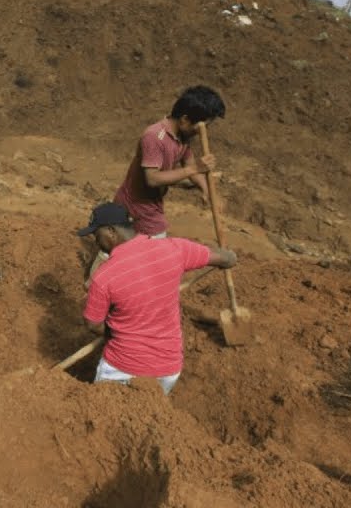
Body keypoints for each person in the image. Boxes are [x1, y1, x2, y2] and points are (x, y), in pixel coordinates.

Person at [79, 202, 236, 394]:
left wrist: (112, 332)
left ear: (111, 231)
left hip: (122, 371)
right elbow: (225, 259)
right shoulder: (175, 248)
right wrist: (229, 258)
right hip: (167, 372)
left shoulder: (104, 277)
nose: (96, 242)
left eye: (97, 235)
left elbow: (93, 324)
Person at [86, 86, 226, 287]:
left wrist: (206, 190)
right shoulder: (154, 137)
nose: (201, 132)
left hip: (151, 205)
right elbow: (152, 178)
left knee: (126, 251)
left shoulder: (183, 137)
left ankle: (110, 286)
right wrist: (195, 169)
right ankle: (95, 288)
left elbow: (189, 164)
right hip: (136, 205)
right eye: (200, 127)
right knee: (131, 252)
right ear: (185, 119)